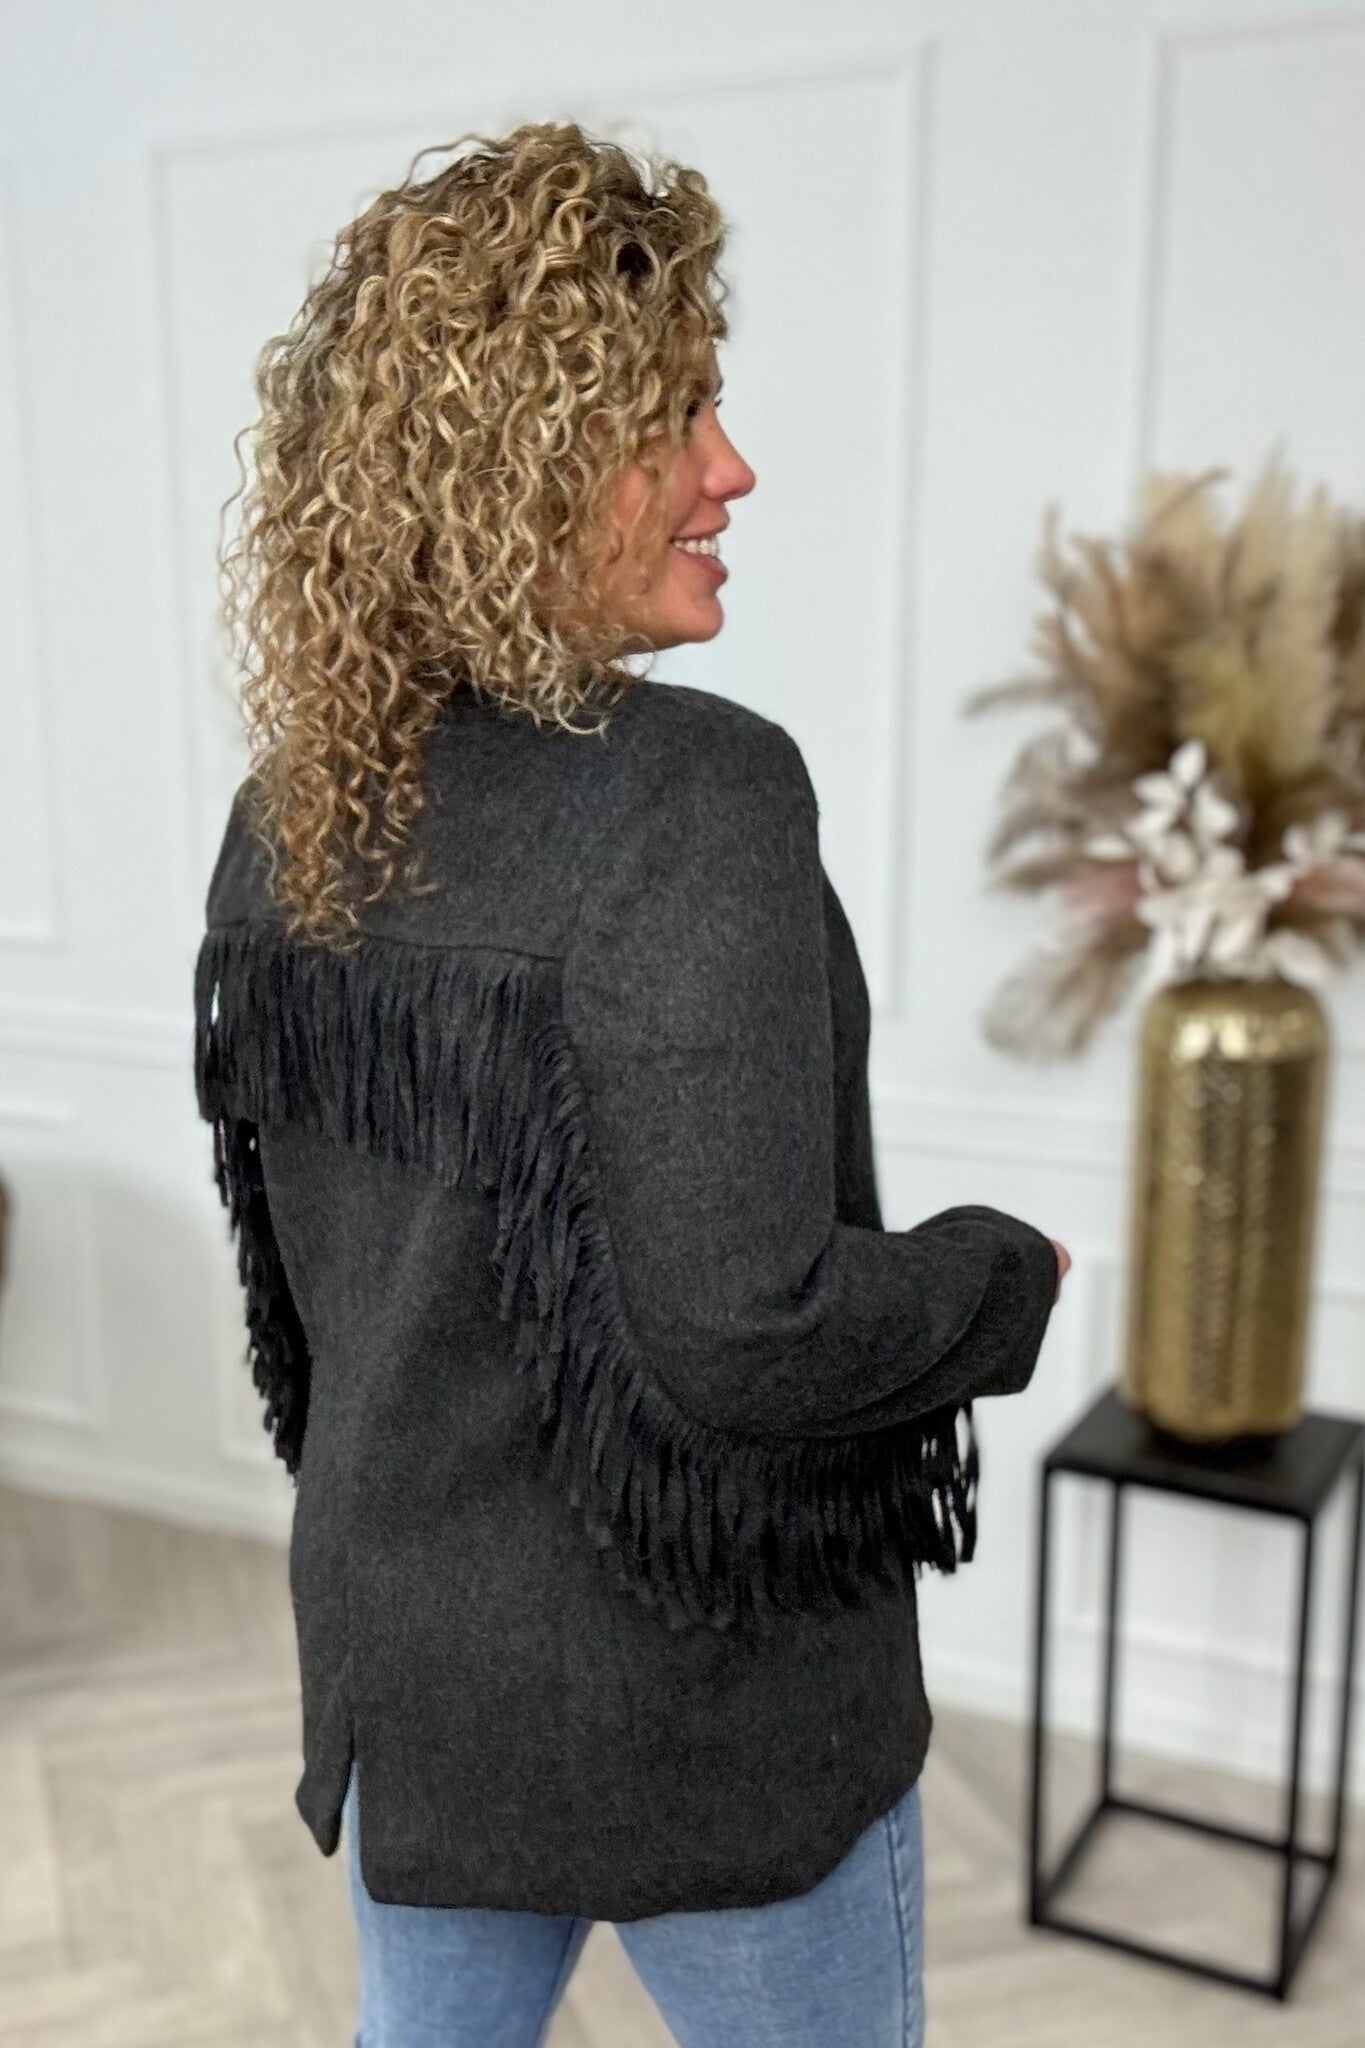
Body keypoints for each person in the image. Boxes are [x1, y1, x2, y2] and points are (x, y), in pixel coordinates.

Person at [194, 118, 1071, 2048]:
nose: (729, 468)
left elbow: (309, 1307)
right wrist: (999, 1276)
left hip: (416, 1663)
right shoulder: (699, 793)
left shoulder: (291, 813)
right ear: (515, 463)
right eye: (670, 420)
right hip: (706, 1698)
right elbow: (749, 1330)